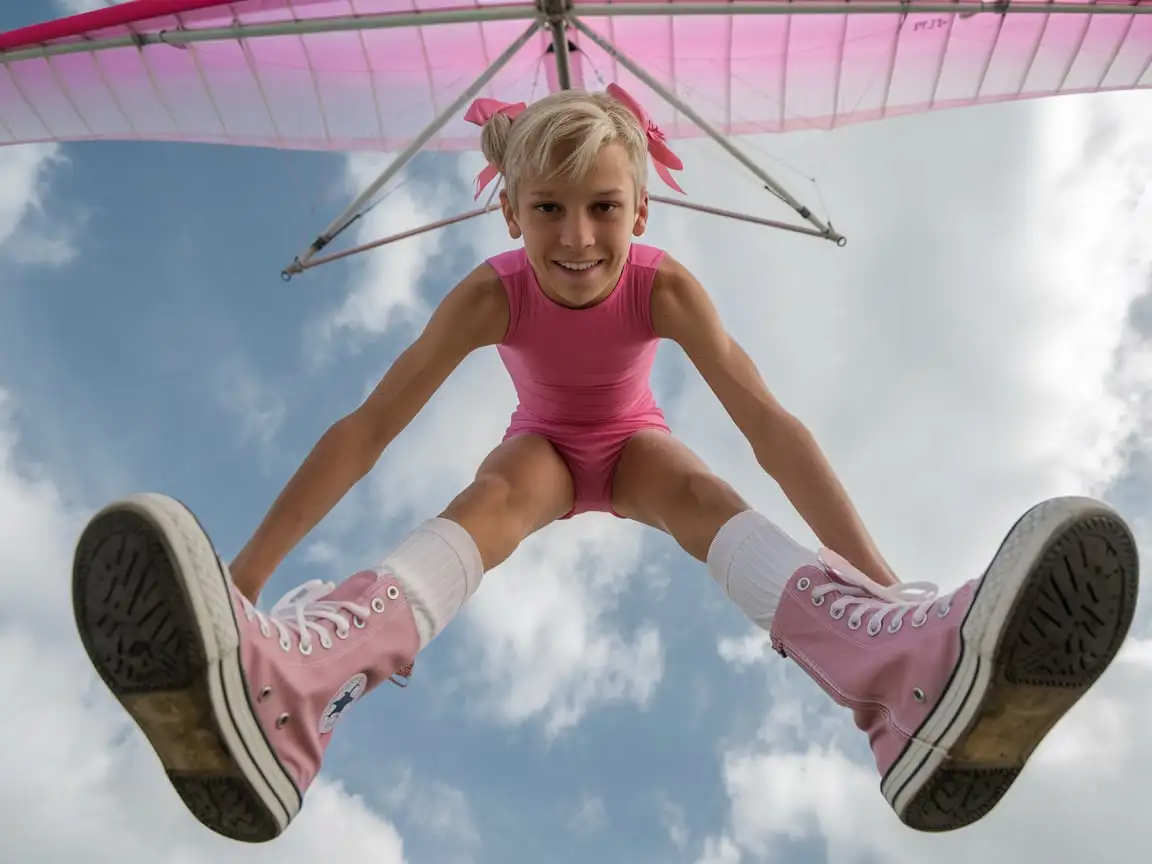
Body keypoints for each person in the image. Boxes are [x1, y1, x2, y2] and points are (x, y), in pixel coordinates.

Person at [71, 86, 1139, 845]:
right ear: (508, 211)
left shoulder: (665, 290)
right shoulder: (492, 295)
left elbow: (769, 425)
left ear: (642, 210)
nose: (577, 239)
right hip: (539, 451)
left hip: (632, 447)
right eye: (548, 210)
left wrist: (882, 581)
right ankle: (287, 680)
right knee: (491, 497)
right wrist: (245, 577)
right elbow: (367, 427)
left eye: (601, 210)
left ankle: (903, 661)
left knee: (706, 491)